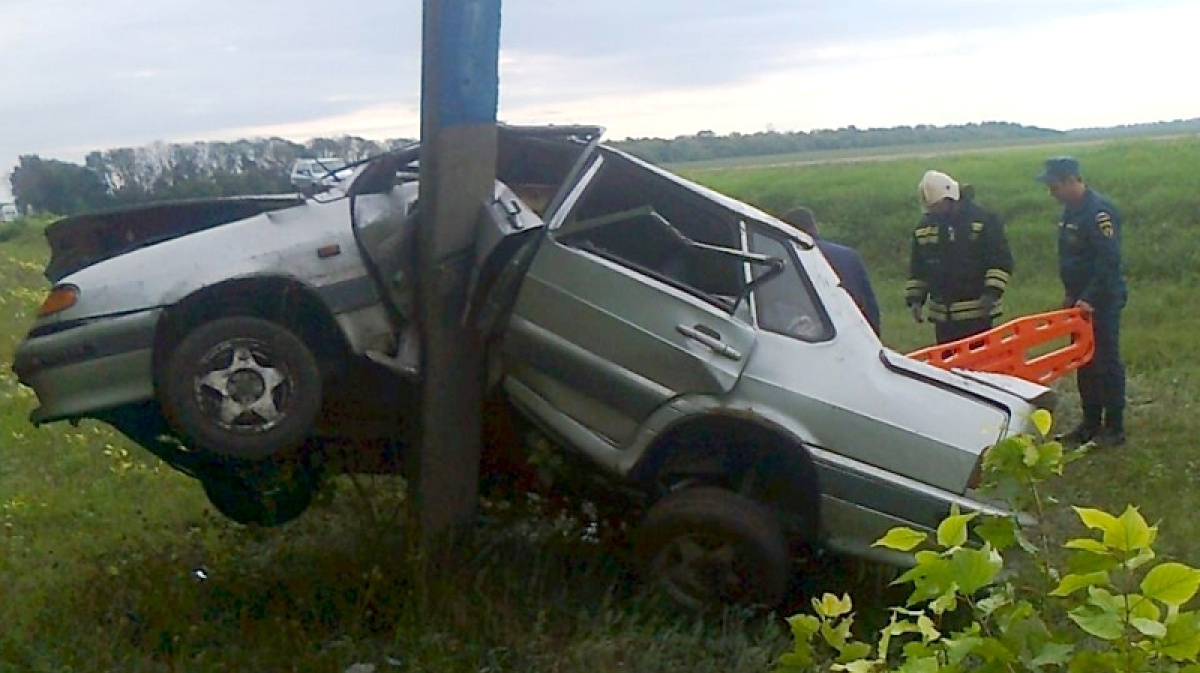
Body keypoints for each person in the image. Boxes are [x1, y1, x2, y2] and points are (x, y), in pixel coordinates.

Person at [1037, 156, 1128, 448]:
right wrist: (1071, 295)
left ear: (1069, 180)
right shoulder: (1070, 213)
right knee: (1084, 361)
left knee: (1105, 361)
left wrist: (1090, 297)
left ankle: (1114, 427)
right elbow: (1074, 259)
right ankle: (1089, 423)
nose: (1051, 192)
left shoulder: (1098, 212)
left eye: (1053, 186)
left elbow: (1108, 261)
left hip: (1101, 300)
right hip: (1078, 303)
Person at [906, 170, 1013, 344]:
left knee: (979, 365)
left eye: (937, 207)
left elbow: (1000, 261)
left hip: (977, 315)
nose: (934, 212)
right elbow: (918, 269)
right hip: (942, 317)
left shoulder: (983, 221)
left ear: (951, 198)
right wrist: (915, 300)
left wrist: (991, 293)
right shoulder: (924, 228)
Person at [781, 205, 881, 335]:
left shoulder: (789, 259)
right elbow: (869, 303)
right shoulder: (849, 255)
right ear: (814, 227)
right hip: (854, 330)